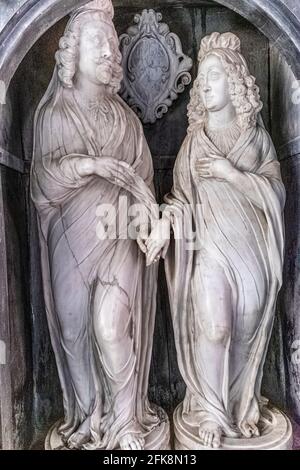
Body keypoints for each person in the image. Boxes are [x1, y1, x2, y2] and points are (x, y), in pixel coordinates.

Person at [31, 0, 166, 450]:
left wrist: (151, 221)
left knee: (111, 327)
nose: (110, 51)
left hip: (120, 234)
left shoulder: (127, 121)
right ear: (73, 52)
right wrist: (90, 165)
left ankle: (126, 423)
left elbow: (145, 183)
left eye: (112, 41)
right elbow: (43, 183)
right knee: (73, 329)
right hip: (69, 237)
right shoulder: (54, 115)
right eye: (98, 41)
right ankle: (90, 417)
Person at [146, 32, 286, 449]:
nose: (204, 85)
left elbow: (276, 194)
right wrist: (165, 223)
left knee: (242, 331)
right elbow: (178, 200)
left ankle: (236, 404)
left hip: (252, 254)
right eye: (201, 79)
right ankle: (209, 409)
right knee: (215, 327)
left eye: (214, 77)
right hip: (209, 252)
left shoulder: (256, 139)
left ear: (236, 84)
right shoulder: (193, 144)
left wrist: (232, 175)